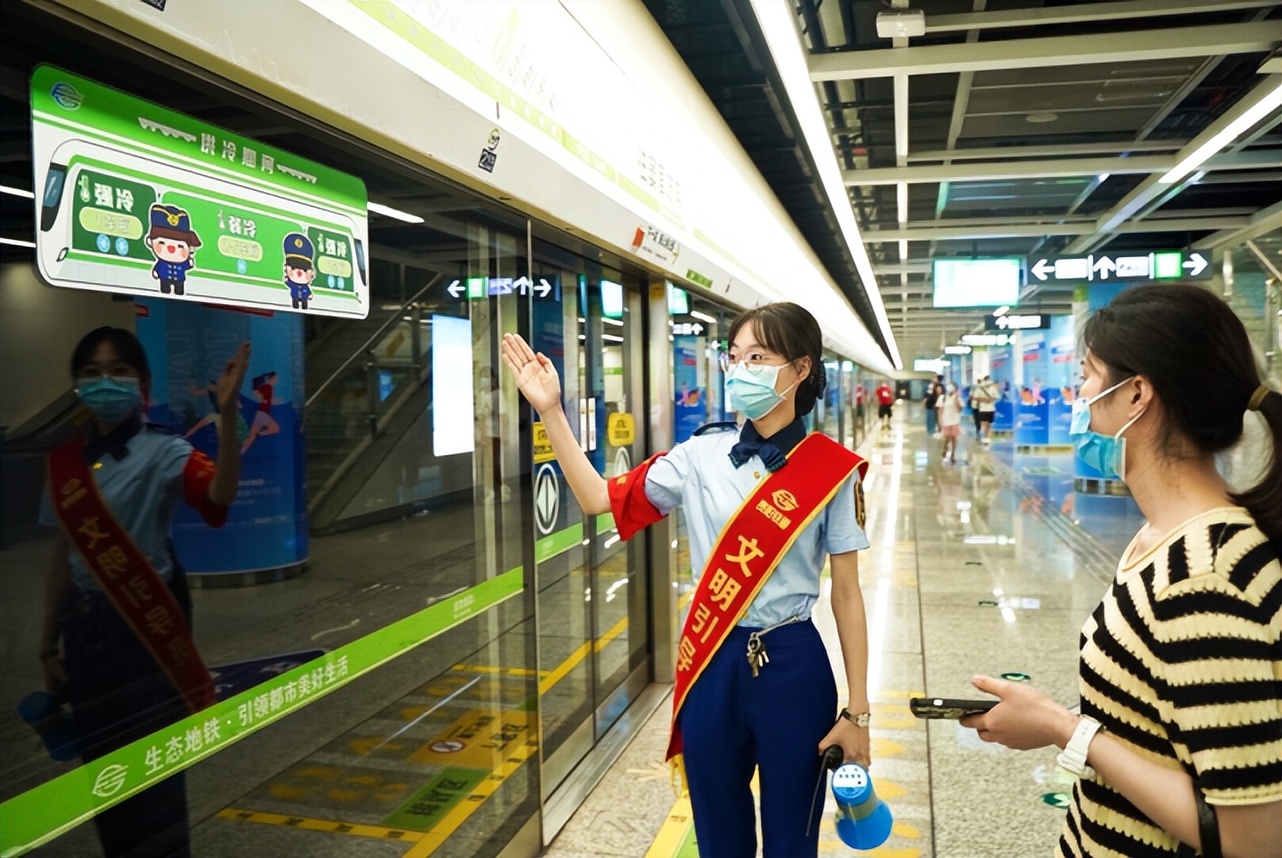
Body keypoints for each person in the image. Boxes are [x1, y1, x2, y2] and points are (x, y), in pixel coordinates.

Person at [502, 302, 872, 858]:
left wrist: (858, 711)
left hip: (795, 667)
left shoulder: (832, 471)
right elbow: (598, 498)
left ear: (800, 369)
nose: (739, 369)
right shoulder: (699, 455)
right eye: (734, 356)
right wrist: (551, 411)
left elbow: (846, 594)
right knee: (718, 838)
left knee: (793, 842)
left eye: (758, 357)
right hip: (712, 662)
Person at [962, 285, 1281, 858]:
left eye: (1086, 376)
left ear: (1135, 394)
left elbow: (1250, 839)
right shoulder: (1159, 540)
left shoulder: (1207, 577)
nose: (1077, 395)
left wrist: (1065, 729)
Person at [39, 327, 249, 858]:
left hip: (142, 637)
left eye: (119, 371)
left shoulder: (164, 451)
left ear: (143, 383)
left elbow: (219, 495)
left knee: (153, 780)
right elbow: (63, 557)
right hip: (85, 639)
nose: (104, 382)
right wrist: (47, 645)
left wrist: (225, 416)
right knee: (105, 783)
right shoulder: (66, 464)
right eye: (90, 373)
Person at [240, 371, 281, 454]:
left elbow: (268, 400)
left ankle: (240, 452)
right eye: (276, 377)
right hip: (262, 414)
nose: (277, 379)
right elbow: (255, 391)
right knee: (276, 428)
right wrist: (261, 398)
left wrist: (274, 400)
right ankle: (260, 434)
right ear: (272, 378)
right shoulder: (267, 387)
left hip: (260, 414)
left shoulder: (269, 388)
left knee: (251, 437)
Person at [937, 382, 964, 464]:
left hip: (955, 421)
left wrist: (956, 400)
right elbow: (940, 410)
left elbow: (960, 410)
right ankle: (945, 448)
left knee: (954, 438)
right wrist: (939, 421)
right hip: (946, 421)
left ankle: (953, 454)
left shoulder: (958, 398)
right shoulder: (943, 397)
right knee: (947, 437)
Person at [972, 374, 998, 443]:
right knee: (988, 424)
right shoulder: (993, 388)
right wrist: (988, 400)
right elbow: (997, 397)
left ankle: (987, 437)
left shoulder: (980, 388)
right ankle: (987, 438)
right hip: (989, 409)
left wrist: (983, 400)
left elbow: (975, 397)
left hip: (984, 409)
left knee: (985, 424)